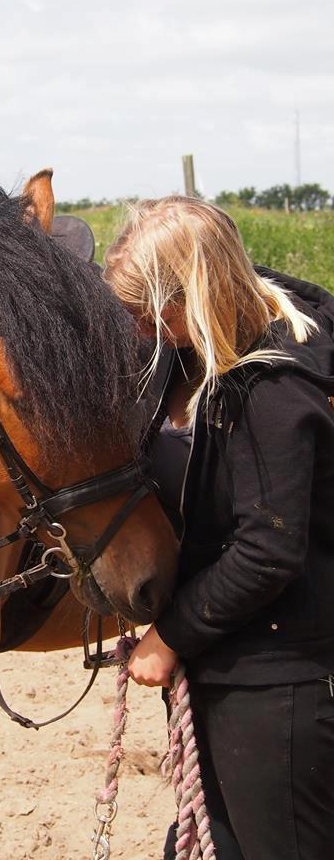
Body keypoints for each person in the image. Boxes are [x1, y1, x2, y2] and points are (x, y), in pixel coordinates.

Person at [103, 196, 334, 860]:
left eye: (151, 309)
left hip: (276, 678)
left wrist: (172, 636)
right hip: (226, 664)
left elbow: (269, 546)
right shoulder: (190, 356)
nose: (141, 326)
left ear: (196, 290)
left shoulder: (271, 389)